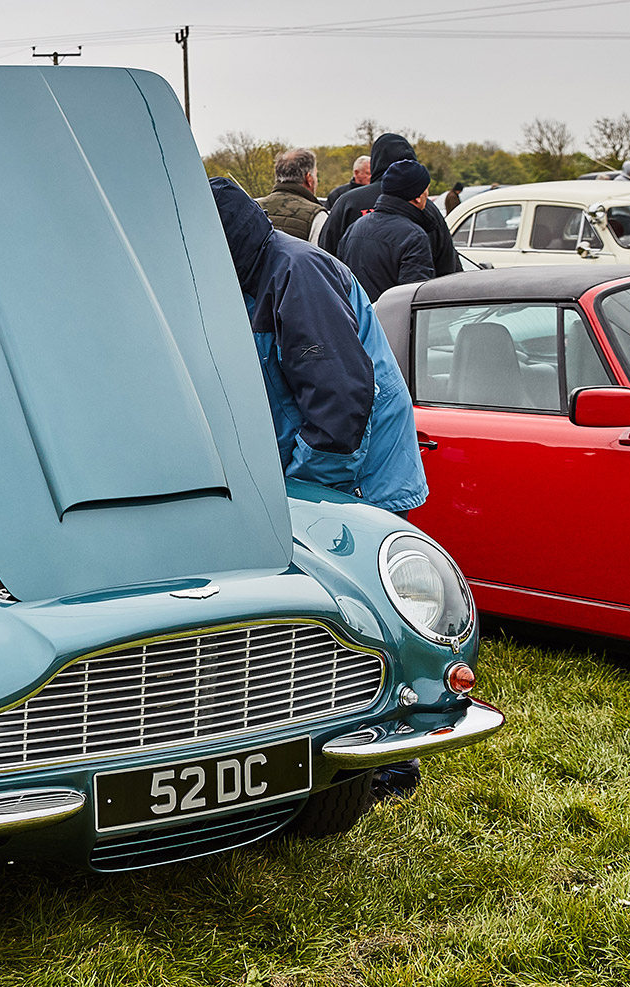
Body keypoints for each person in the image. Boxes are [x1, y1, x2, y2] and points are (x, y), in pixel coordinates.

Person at [215, 177, 427, 800]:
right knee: (317, 625)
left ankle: (390, 755)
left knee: (372, 617)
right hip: (304, 469)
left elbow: (339, 400)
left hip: (349, 476)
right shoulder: (249, 271)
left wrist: (315, 494)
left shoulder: (294, 274)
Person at [321, 133, 460, 279]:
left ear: (375, 162)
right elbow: (448, 265)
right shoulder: (427, 208)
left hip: (355, 298)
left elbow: (326, 256)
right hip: (414, 297)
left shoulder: (348, 204)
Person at [335, 161, 436, 302]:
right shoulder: (414, 236)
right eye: (427, 189)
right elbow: (413, 298)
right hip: (389, 321)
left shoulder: (355, 227)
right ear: (418, 196)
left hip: (354, 319)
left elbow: (339, 281)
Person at [255, 148, 327, 243]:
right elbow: (322, 256)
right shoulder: (317, 216)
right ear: (309, 179)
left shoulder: (254, 208)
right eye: (316, 175)